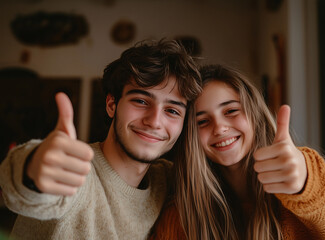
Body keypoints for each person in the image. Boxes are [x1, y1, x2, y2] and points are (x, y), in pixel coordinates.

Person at [0, 39, 202, 240]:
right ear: (112, 105)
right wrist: (33, 168)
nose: (154, 121)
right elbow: (24, 186)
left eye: (172, 111)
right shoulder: (78, 173)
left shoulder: (167, 180)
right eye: (141, 101)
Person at [148, 64, 325, 240]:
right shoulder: (179, 218)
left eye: (231, 111)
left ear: (255, 115)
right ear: (190, 138)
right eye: (202, 121)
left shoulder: (300, 185)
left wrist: (303, 179)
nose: (219, 128)